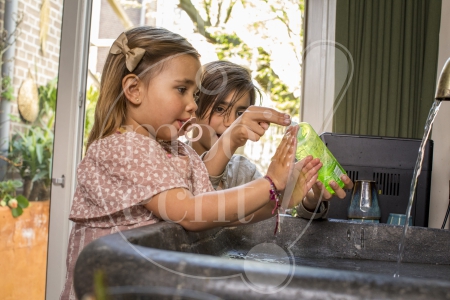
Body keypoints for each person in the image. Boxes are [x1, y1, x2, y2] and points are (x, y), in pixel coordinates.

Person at [60, 27, 322, 300]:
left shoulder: (178, 152)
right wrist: (269, 183)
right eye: (182, 90)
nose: (192, 105)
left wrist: (282, 195)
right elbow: (190, 213)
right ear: (134, 90)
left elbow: (219, 214)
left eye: (194, 95)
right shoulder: (123, 149)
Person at [189, 60, 353, 220]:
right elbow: (197, 203)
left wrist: (309, 200)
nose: (231, 123)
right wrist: (229, 140)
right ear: (192, 109)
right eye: (220, 109)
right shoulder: (173, 162)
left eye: (240, 114)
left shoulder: (244, 172)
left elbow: (275, 213)